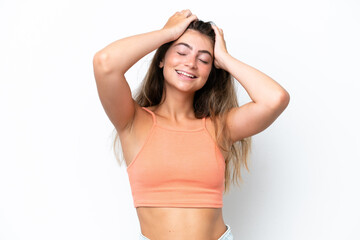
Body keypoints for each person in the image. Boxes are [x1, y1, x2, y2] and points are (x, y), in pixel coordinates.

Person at [92, 9, 289, 240]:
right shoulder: (133, 121)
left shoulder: (219, 128)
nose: (191, 63)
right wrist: (166, 33)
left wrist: (225, 59)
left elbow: (275, 99)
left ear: (211, 70)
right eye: (182, 52)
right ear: (162, 59)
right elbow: (105, 63)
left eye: (204, 59)